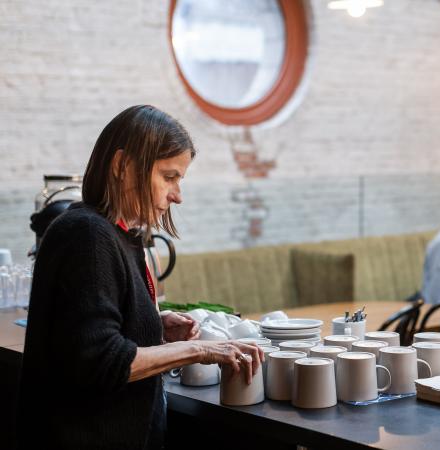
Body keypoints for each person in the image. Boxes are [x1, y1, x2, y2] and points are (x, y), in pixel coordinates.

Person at [18, 105, 264, 450]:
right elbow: (103, 361)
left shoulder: (118, 234)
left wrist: (152, 323)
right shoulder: (87, 235)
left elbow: (89, 327)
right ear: (122, 166)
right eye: (169, 177)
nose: (178, 195)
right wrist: (198, 349)